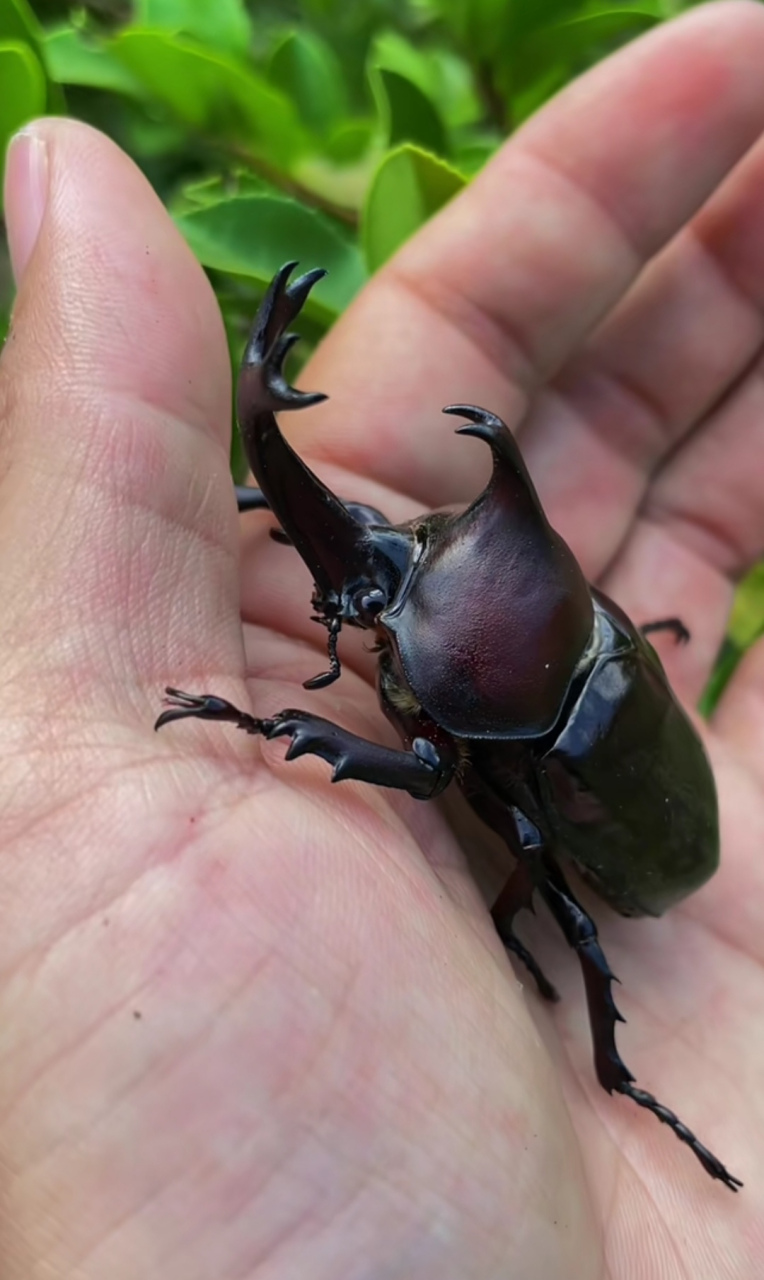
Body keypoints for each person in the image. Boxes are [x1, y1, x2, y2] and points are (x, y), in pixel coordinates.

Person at [2, 3, 763, 1275]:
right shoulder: (539, 616)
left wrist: (263, 724)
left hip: (656, 853)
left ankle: (626, 1078)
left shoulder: (491, 724)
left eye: (384, 585)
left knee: (562, 914)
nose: (371, 560)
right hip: (586, 689)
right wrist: (302, 505)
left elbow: (428, 769)